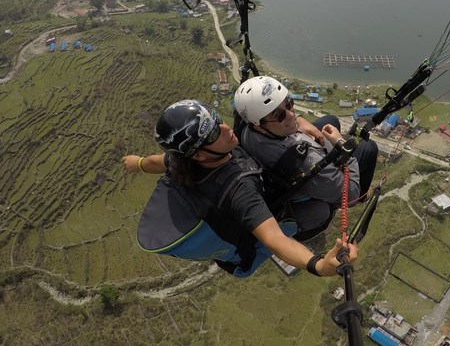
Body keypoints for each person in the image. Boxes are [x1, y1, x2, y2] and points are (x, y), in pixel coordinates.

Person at [129, 99, 355, 278]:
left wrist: (137, 163)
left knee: (328, 120)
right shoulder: (238, 190)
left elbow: (158, 162)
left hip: (256, 180)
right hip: (264, 206)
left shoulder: (186, 162)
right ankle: (309, 223)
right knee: (321, 211)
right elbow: (273, 238)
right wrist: (319, 265)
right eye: (214, 133)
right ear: (198, 154)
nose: (226, 128)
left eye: (217, 119)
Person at [233, 76, 378, 235]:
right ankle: (363, 194)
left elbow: (285, 117)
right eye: (279, 116)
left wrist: (299, 121)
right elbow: (349, 195)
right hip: (303, 175)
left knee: (331, 120)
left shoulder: (245, 125)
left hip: (278, 163)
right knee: (369, 148)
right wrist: (342, 145)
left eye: (289, 104)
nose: (290, 114)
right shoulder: (307, 161)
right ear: (259, 126)